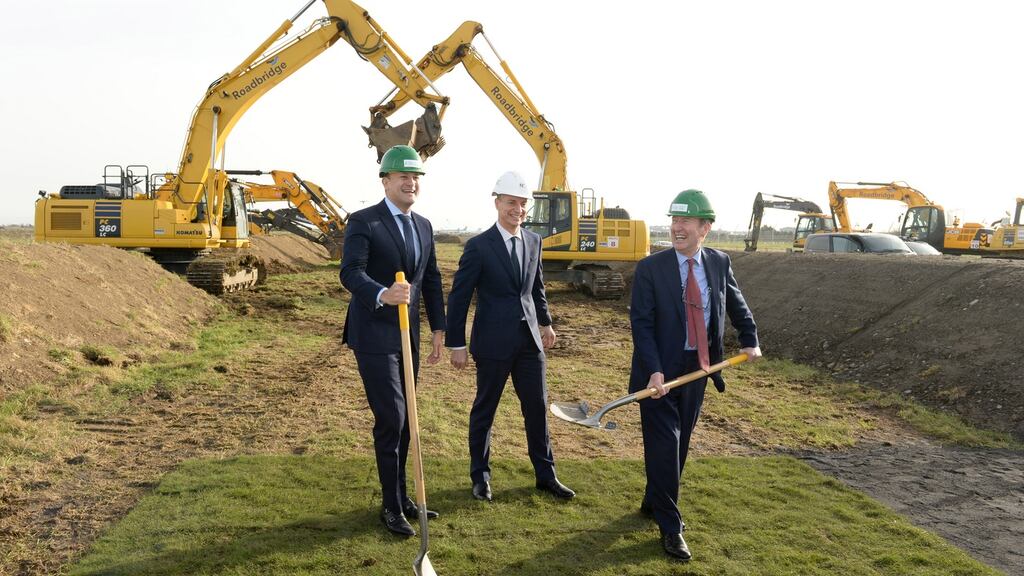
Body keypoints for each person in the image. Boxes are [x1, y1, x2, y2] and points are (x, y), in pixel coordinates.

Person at [630, 189, 761, 561]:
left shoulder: (718, 262)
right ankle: (670, 528)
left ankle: (654, 499)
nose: (677, 227)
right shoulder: (650, 269)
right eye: (674, 220)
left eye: (685, 221)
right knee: (664, 443)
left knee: (681, 441)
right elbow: (641, 324)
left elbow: (734, 302)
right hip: (658, 372)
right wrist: (653, 371)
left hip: (699, 368)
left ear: (705, 227)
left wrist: (749, 338)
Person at [445, 170, 574, 502]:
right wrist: (456, 342)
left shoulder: (533, 241)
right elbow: (459, 297)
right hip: (492, 343)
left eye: (521, 204)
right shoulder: (478, 247)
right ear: (497, 203)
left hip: (529, 342)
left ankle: (546, 475)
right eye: (510, 203)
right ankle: (480, 477)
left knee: (536, 408)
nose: (516, 209)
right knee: (485, 409)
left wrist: (545, 323)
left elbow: (536, 288)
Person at [339, 145, 446, 537]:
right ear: (385, 180)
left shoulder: (423, 226)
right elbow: (350, 272)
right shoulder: (364, 221)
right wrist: (383, 293)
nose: (410, 181)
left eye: (415, 176)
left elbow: (430, 279)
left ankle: (403, 497)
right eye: (402, 176)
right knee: (393, 418)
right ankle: (390, 506)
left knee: (407, 421)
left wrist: (438, 328)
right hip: (374, 333)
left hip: (408, 335)